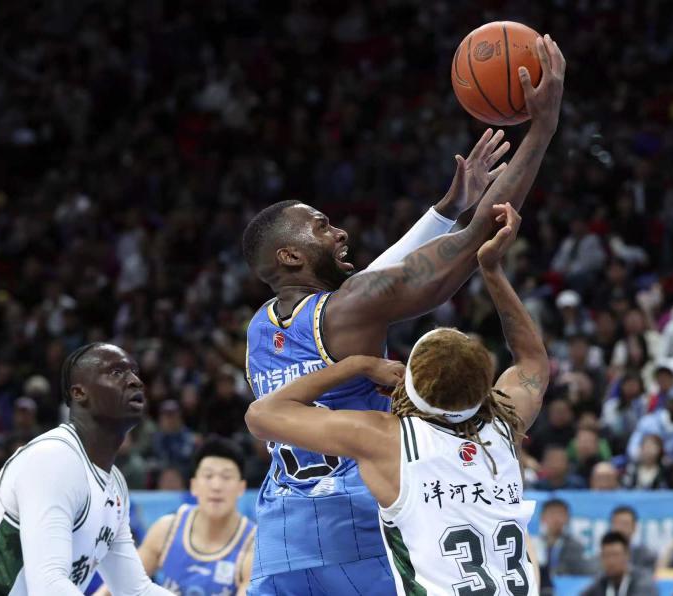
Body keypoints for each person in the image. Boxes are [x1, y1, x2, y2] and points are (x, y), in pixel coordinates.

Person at [242, 35, 566, 595]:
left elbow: (373, 283)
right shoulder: (349, 310)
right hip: (359, 533)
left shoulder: (260, 328)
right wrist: (543, 129)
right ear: (290, 255)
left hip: (280, 540)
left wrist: (444, 209)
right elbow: (476, 237)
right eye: (322, 226)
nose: (340, 231)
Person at [246, 202, 548, 594]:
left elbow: (261, 415)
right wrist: (492, 269)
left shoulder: (387, 437)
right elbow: (532, 360)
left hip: (287, 535)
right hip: (363, 539)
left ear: (408, 383)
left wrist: (358, 365)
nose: (339, 232)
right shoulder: (503, 425)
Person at [0, 343, 174, 595]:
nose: (136, 381)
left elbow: (136, 590)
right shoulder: (53, 459)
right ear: (79, 393)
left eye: (135, 372)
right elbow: (48, 586)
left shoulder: (115, 484)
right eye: (117, 372)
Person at [94, 437, 255, 596]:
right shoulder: (167, 529)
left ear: (242, 487)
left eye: (226, 477)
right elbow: (121, 584)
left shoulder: (254, 545)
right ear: (193, 486)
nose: (216, 486)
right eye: (208, 476)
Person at [536, 499, 592, 589]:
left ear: (567, 518)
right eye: (552, 514)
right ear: (542, 518)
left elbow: (581, 573)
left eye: (560, 514)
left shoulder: (575, 546)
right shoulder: (534, 544)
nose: (556, 519)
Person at [579, 532, 658, 596]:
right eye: (606, 555)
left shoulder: (643, 581)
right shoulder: (600, 583)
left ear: (627, 555)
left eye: (615, 555)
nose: (611, 561)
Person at [608, 506, 657, 572]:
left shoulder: (647, 556)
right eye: (617, 523)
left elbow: (652, 574)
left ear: (634, 527)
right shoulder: (600, 558)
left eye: (625, 524)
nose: (620, 528)